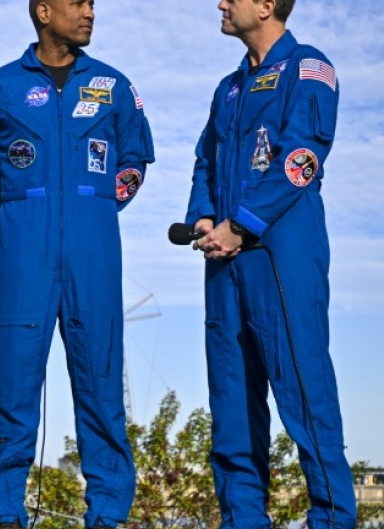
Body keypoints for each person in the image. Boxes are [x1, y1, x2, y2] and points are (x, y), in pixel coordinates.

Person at [0, 1, 154, 527]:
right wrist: (22, 206)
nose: (90, 12)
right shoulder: (1, 86)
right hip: (25, 250)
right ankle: (6, 514)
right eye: (78, 3)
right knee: (16, 387)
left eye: (93, 5)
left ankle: (107, 515)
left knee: (101, 387)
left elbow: (135, 159)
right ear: (44, 11)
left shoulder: (113, 86)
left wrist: (98, 201)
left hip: (94, 250)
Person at [186, 0, 357, 528]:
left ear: (264, 6)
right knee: (232, 409)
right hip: (223, 262)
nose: (220, 3)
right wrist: (204, 218)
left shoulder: (309, 67)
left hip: (282, 256)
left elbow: (302, 155)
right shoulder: (228, 88)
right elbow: (205, 161)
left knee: (306, 396)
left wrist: (240, 226)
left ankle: (332, 518)